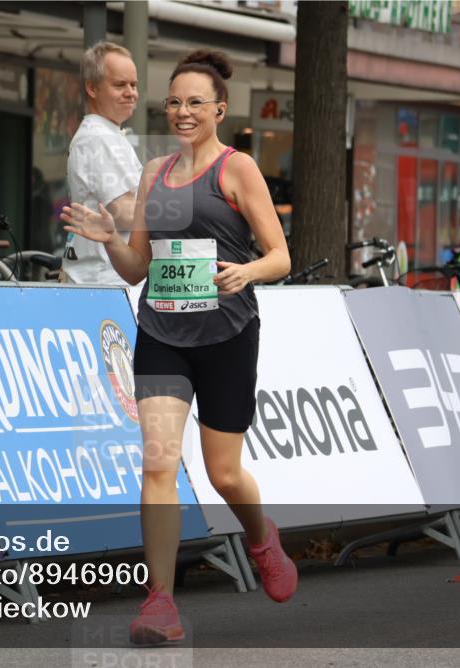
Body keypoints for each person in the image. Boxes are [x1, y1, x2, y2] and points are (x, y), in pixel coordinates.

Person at [61, 50, 297, 646]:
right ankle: (160, 602)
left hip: (226, 335)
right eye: (174, 101)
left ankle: (261, 537)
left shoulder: (237, 169)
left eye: (196, 102)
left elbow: (280, 255)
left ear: (220, 109)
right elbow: (138, 267)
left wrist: (246, 273)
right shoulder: (153, 174)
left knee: (222, 473)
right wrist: (111, 238)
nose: (183, 111)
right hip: (162, 332)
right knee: (158, 464)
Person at [62, 42, 142, 284]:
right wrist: (179, 203)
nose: (130, 92)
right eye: (120, 85)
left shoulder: (108, 133)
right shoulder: (98, 137)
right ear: (92, 88)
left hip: (108, 276)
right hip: (105, 279)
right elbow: (123, 213)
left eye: (134, 85)